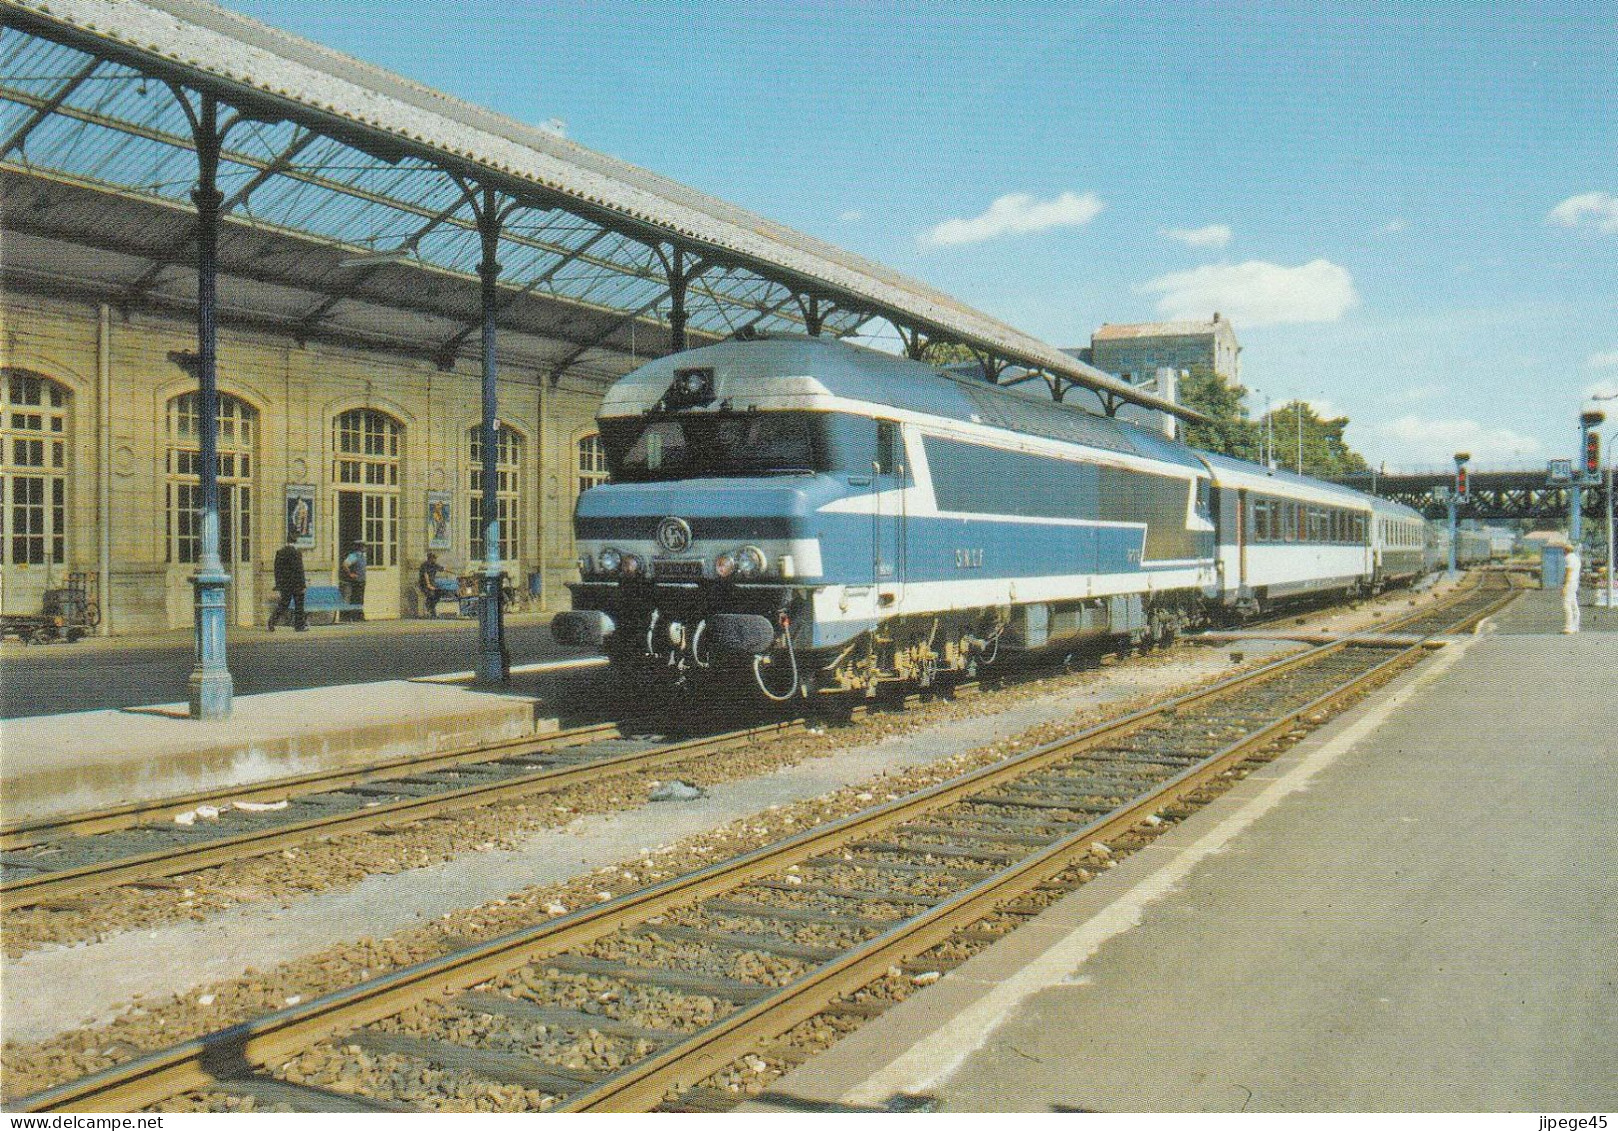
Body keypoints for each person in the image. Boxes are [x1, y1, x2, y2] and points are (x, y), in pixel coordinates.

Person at [268, 538, 307, 631]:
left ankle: (272, 621)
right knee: (299, 605)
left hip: (285, 584)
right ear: (296, 542)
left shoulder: (280, 553)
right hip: (296, 584)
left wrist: (278, 583)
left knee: (284, 604)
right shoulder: (296, 553)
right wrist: (303, 584)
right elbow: (299, 570)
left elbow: (276, 570)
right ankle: (299, 625)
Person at [341, 540, 368, 622]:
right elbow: (345, 564)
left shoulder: (363, 556)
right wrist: (350, 574)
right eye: (363, 546)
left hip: (362, 580)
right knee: (355, 598)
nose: (365, 548)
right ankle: (353, 616)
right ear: (360, 547)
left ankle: (359, 615)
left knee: (360, 598)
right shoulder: (354, 556)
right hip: (355, 581)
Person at [418, 551, 445, 617]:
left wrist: (454, 572)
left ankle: (431, 608)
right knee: (431, 594)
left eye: (435, 558)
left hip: (432, 583)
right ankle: (430, 608)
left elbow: (442, 569)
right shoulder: (424, 565)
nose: (435, 559)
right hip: (424, 584)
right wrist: (428, 585)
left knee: (439, 593)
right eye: (434, 558)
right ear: (430, 558)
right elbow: (425, 575)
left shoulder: (435, 565)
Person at [1562, 544, 1582, 634]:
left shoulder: (1568, 558)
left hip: (1570, 583)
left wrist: (1565, 586)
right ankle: (1575, 626)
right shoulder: (1576, 558)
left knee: (1567, 604)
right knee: (1574, 604)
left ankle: (1568, 627)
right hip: (1575, 583)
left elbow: (1568, 572)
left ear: (1566, 550)